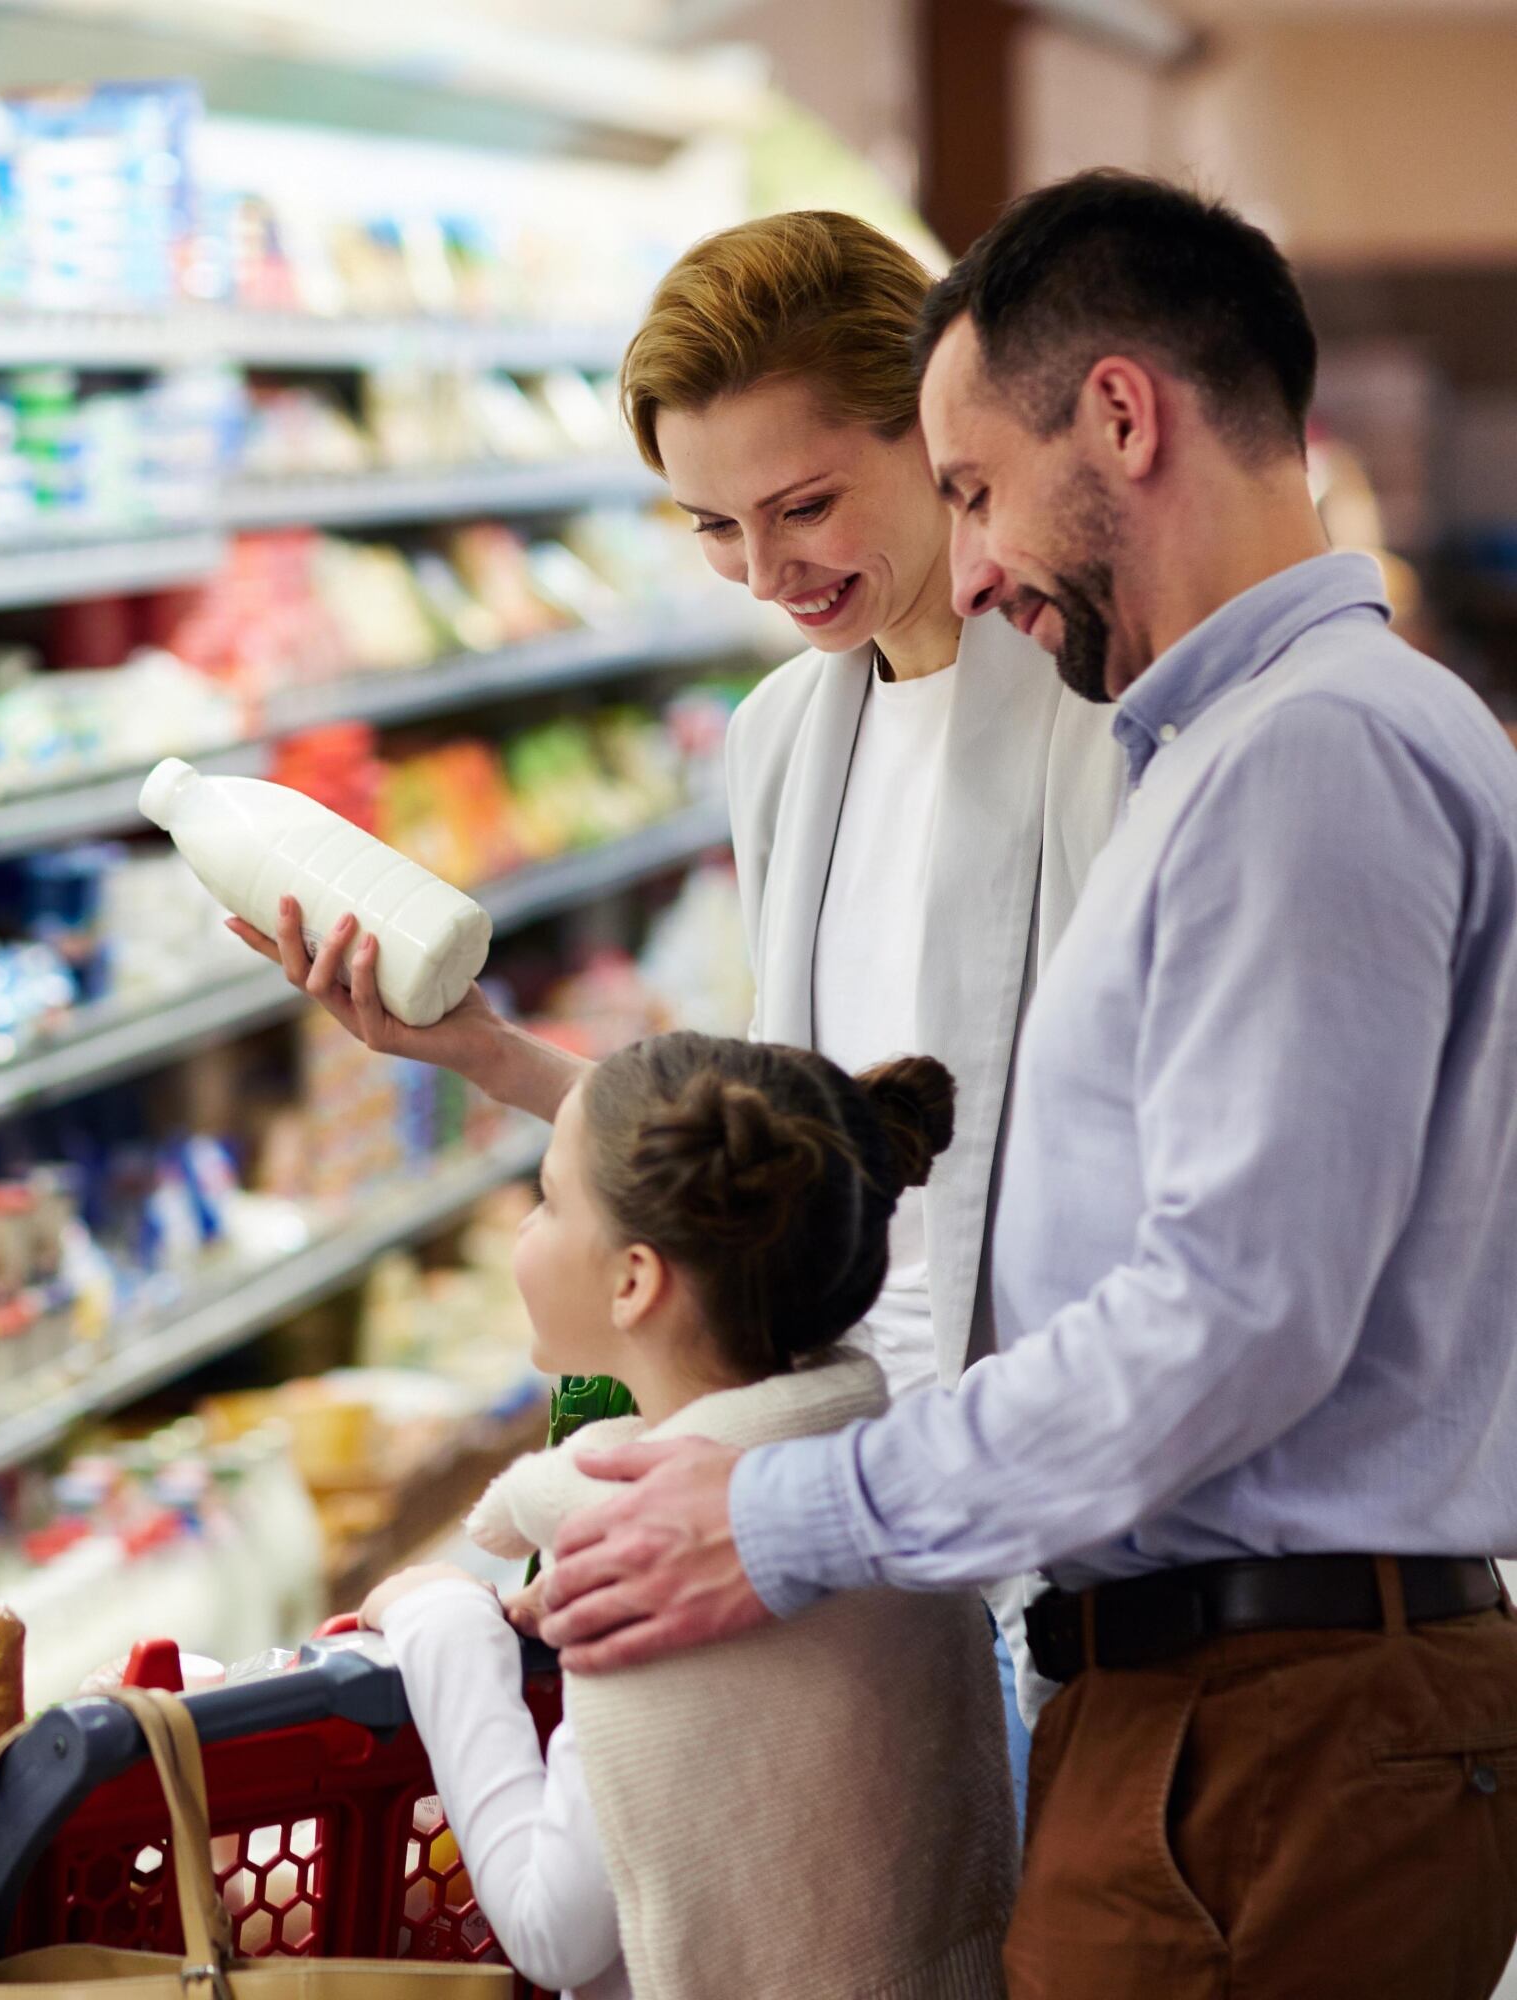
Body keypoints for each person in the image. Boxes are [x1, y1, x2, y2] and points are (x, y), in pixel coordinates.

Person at [533, 169, 1517, 2000]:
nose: (974, 566)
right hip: (1176, 1684)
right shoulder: (1245, 742)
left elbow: (1233, 1311)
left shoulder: (1292, 759)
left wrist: (791, 1519)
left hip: (1267, 1710)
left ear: (1124, 418)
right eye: (709, 528)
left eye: (965, 485)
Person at [236, 207, 1121, 1802]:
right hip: (817, 1493)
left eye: (804, 503)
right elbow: (782, 1151)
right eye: (712, 523)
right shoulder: (785, 733)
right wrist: (485, 1054)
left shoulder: (1089, 714)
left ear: (931, 431)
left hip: (1045, 1517)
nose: (769, 571)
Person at [360, 1032, 1011, 2000]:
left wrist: (444, 1627)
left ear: (633, 1280)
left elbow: (551, 1929)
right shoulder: (883, 1498)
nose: (524, 1230)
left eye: (546, 1198)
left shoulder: (652, 1560)